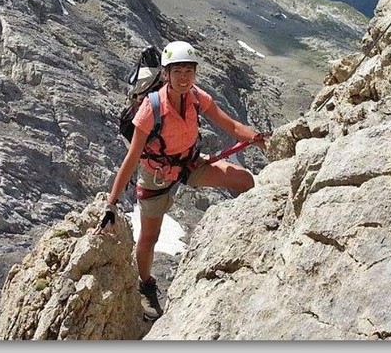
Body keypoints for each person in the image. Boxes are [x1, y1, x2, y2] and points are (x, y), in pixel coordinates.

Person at [96, 40, 265, 321]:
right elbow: (132, 158)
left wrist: (262, 141)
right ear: (166, 74)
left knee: (245, 180)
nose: (184, 78)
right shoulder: (151, 109)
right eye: (178, 72)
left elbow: (232, 126)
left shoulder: (197, 97)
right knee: (150, 237)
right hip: (156, 176)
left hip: (189, 164)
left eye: (189, 71)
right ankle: (145, 285)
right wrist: (111, 204)